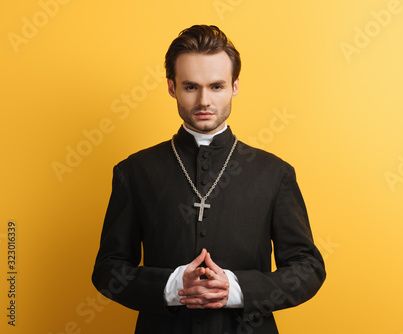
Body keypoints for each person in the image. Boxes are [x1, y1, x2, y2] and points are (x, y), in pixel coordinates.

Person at [92, 24, 326, 334]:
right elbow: (108, 270)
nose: (204, 100)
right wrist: (172, 285)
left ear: (235, 87)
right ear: (172, 87)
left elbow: (307, 268)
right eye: (191, 87)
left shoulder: (275, 173)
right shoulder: (135, 171)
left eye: (216, 86)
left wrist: (238, 288)